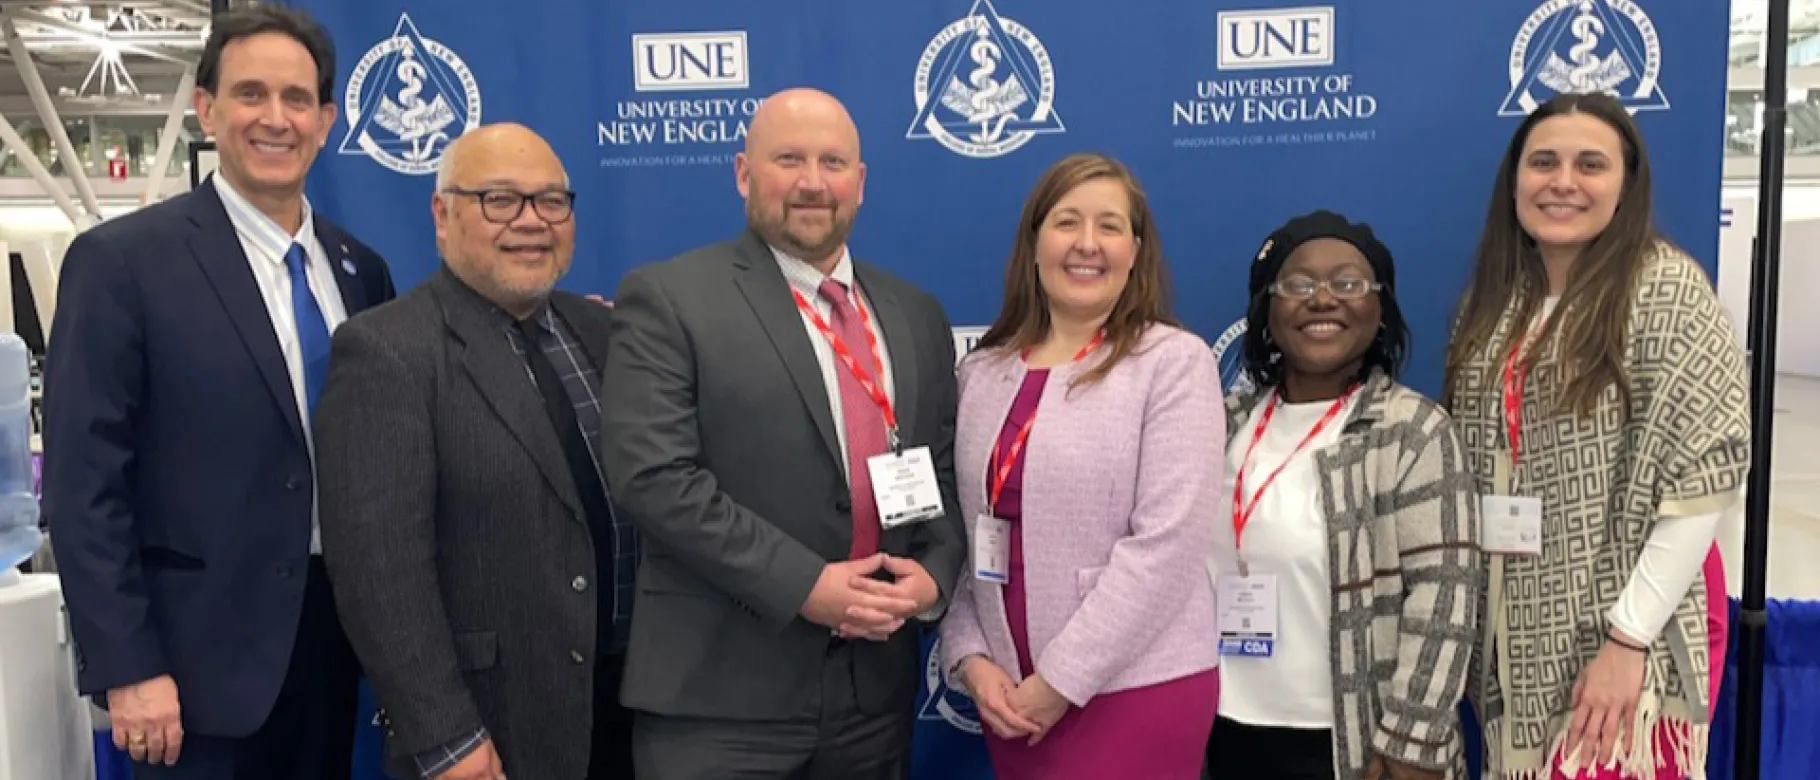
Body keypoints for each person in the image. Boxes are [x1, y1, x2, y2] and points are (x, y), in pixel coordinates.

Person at [41, 7, 395, 778]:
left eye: (297, 99)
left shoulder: (360, 270)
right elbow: (82, 484)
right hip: (189, 676)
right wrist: (126, 664)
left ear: (327, 119)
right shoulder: (123, 264)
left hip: (336, 654)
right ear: (207, 109)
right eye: (251, 94)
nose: (276, 118)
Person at [599, 87, 966, 779]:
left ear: (860, 182)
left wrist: (933, 578)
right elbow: (653, 478)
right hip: (719, 701)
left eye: (832, 162)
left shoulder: (916, 313)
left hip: (872, 698)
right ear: (743, 172)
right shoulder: (670, 297)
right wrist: (805, 585)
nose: (811, 182)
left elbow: (938, 471)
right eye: (788, 159)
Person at [313, 123, 635, 780]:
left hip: (631, 711)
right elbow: (379, 576)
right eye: (499, 200)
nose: (531, 221)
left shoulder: (603, 332)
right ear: (443, 213)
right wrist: (445, 737)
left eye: (551, 201)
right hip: (491, 727)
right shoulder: (386, 350)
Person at [1444, 92, 1748, 780]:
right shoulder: (1494, 304)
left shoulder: (1664, 290)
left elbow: (1701, 482)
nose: (1563, 182)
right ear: (1514, 181)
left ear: (1627, 184)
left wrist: (1628, 640)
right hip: (1519, 624)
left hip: (1635, 619)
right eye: (1543, 161)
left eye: (1591, 164)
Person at [938, 153, 1222, 779]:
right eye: (1067, 222)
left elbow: (1166, 546)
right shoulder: (981, 373)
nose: (1087, 244)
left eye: (1110, 226)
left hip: (1133, 690)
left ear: (1136, 249)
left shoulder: (1173, 364)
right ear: (1034, 240)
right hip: (1009, 697)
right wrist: (969, 657)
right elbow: (968, 538)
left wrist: (1062, 680)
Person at [1202, 211, 1480, 780]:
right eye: (1298, 285)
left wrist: (1412, 742)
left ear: (1380, 312)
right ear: (1266, 312)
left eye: (1349, 283)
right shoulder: (1221, 425)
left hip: (1355, 746)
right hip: (1221, 730)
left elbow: (1444, 598)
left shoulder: (1412, 430)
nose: (1323, 299)